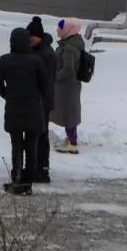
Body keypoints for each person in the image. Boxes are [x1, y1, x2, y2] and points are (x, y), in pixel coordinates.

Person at [0, 27, 50, 195]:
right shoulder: (37, 61)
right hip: (34, 110)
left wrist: (8, 95)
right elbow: (45, 85)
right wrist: (37, 97)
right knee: (32, 147)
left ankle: (16, 181)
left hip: (14, 109)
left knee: (16, 146)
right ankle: (28, 183)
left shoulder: (4, 60)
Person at [28, 17, 58, 184]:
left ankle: (42, 169)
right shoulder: (40, 51)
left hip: (42, 101)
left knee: (41, 135)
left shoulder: (45, 54)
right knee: (38, 135)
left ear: (39, 37)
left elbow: (44, 81)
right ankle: (38, 168)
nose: (30, 39)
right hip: (39, 101)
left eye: (33, 36)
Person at [53, 19, 87, 153]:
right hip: (70, 86)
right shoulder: (72, 43)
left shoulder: (69, 48)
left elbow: (68, 68)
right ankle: (70, 138)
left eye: (60, 29)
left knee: (68, 113)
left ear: (67, 30)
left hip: (67, 87)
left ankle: (72, 143)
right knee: (69, 112)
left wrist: (56, 76)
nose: (57, 31)